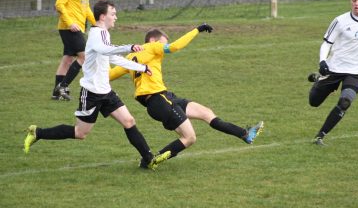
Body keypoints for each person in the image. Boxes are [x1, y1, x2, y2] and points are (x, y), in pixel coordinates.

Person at [24, 0, 171, 170]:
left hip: (106, 91)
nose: (116, 17)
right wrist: (129, 47)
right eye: (113, 14)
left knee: (129, 121)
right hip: (92, 92)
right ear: (103, 16)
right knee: (80, 133)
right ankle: (38, 133)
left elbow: (112, 57)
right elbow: (106, 50)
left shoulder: (104, 33)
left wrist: (142, 67)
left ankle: (148, 159)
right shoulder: (97, 34)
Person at [109, 24, 264, 168]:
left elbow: (110, 74)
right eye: (162, 43)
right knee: (189, 138)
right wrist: (197, 29)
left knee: (206, 112)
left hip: (165, 97)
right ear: (152, 40)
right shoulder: (150, 46)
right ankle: (151, 160)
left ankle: (245, 134)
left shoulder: (130, 58)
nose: (163, 48)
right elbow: (174, 46)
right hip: (158, 100)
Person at [308, 0, 358, 146]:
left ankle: (320, 136)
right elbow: (326, 44)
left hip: (357, 71)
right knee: (314, 102)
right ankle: (318, 80)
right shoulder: (340, 21)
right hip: (335, 68)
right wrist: (323, 61)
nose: (357, 3)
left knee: (345, 101)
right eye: (354, 0)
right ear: (350, 2)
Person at [52, 0, 96, 100]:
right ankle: (62, 86)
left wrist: (96, 23)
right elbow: (59, 4)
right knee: (84, 57)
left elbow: (86, 7)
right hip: (69, 28)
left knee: (67, 59)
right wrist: (70, 23)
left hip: (78, 28)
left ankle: (56, 93)